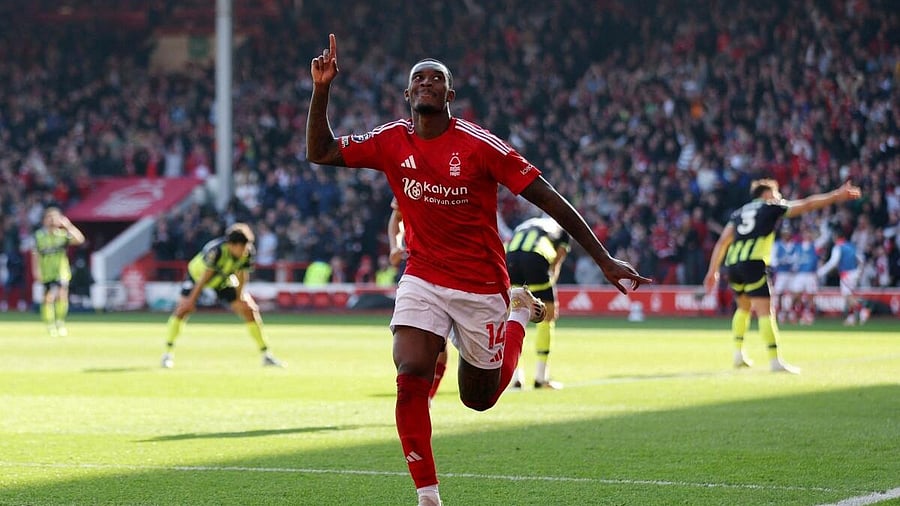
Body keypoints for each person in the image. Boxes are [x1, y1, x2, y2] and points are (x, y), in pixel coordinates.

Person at [307, 34, 651, 506]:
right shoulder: (390, 140)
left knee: (479, 398)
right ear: (408, 96)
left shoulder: (478, 145)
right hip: (423, 275)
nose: (426, 82)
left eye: (437, 79)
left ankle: (516, 316)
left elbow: (546, 197)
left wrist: (604, 258)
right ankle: (428, 497)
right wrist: (321, 90)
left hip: (482, 285)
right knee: (411, 376)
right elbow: (321, 152)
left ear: (449, 96)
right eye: (418, 79)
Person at [703, 179, 861, 374]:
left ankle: (738, 354)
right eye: (776, 193)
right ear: (767, 194)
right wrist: (836, 196)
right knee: (764, 311)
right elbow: (807, 204)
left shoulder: (739, 213)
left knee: (743, 308)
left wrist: (713, 271)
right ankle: (775, 361)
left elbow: (722, 242)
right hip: (753, 262)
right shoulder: (771, 206)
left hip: (733, 263)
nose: (779, 197)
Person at [160, 223, 283, 368]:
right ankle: (167, 354)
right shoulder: (216, 251)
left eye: (246, 247)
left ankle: (266, 355)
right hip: (196, 279)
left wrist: (239, 297)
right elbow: (204, 278)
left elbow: (242, 274)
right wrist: (191, 301)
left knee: (249, 309)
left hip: (223, 280)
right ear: (232, 245)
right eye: (242, 247)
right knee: (182, 310)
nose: (245, 251)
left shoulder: (247, 252)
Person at [388, 197, 448, 404]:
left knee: (480, 384)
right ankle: (426, 397)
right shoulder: (410, 174)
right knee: (435, 340)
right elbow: (397, 216)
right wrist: (395, 246)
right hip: (421, 270)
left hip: (461, 270)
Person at [505, 215, 570, 390]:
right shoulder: (562, 229)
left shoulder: (526, 223)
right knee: (547, 318)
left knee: (513, 316)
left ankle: (515, 377)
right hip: (536, 258)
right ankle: (541, 378)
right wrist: (550, 289)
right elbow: (556, 262)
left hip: (510, 257)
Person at [32, 207, 85, 336]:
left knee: (62, 296)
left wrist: (69, 226)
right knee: (48, 299)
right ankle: (50, 325)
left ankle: (60, 322)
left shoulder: (62, 235)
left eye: (54, 217)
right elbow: (35, 254)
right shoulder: (39, 236)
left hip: (61, 271)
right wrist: (36, 270)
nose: (52, 220)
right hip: (47, 273)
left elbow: (80, 239)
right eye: (49, 217)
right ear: (44, 220)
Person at [817, 226, 869, 325]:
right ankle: (851, 317)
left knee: (848, 296)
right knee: (849, 295)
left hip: (846, 274)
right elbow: (861, 259)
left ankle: (863, 309)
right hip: (854, 272)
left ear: (836, 236)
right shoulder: (851, 245)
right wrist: (859, 271)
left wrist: (820, 272)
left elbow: (833, 263)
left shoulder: (838, 247)